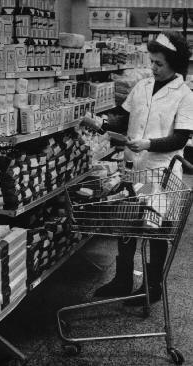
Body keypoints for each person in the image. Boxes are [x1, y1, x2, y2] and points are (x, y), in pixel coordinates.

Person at [82, 31, 193, 306]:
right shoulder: (142, 86)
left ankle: (152, 287)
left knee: (154, 227)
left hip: (159, 174)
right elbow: (125, 118)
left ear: (174, 64)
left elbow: (180, 138)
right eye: (152, 61)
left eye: (159, 63)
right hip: (133, 167)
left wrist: (149, 143)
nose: (153, 68)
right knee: (127, 220)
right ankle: (122, 280)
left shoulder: (185, 95)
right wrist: (103, 123)